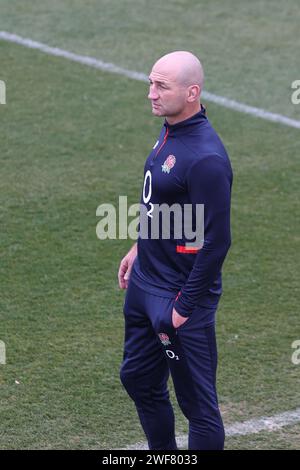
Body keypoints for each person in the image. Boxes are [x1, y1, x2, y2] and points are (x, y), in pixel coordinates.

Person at [118, 51, 232, 450]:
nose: (151, 93)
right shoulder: (171, 129)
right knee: (137, 379)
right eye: (151, 83)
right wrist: (139, 245)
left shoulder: (206, 158)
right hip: (146, 282)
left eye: (161, 86)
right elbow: (166, 203)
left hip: (179, 299)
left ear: (191, 92)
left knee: (198, 408)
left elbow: (217, 241)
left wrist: (183, 308)